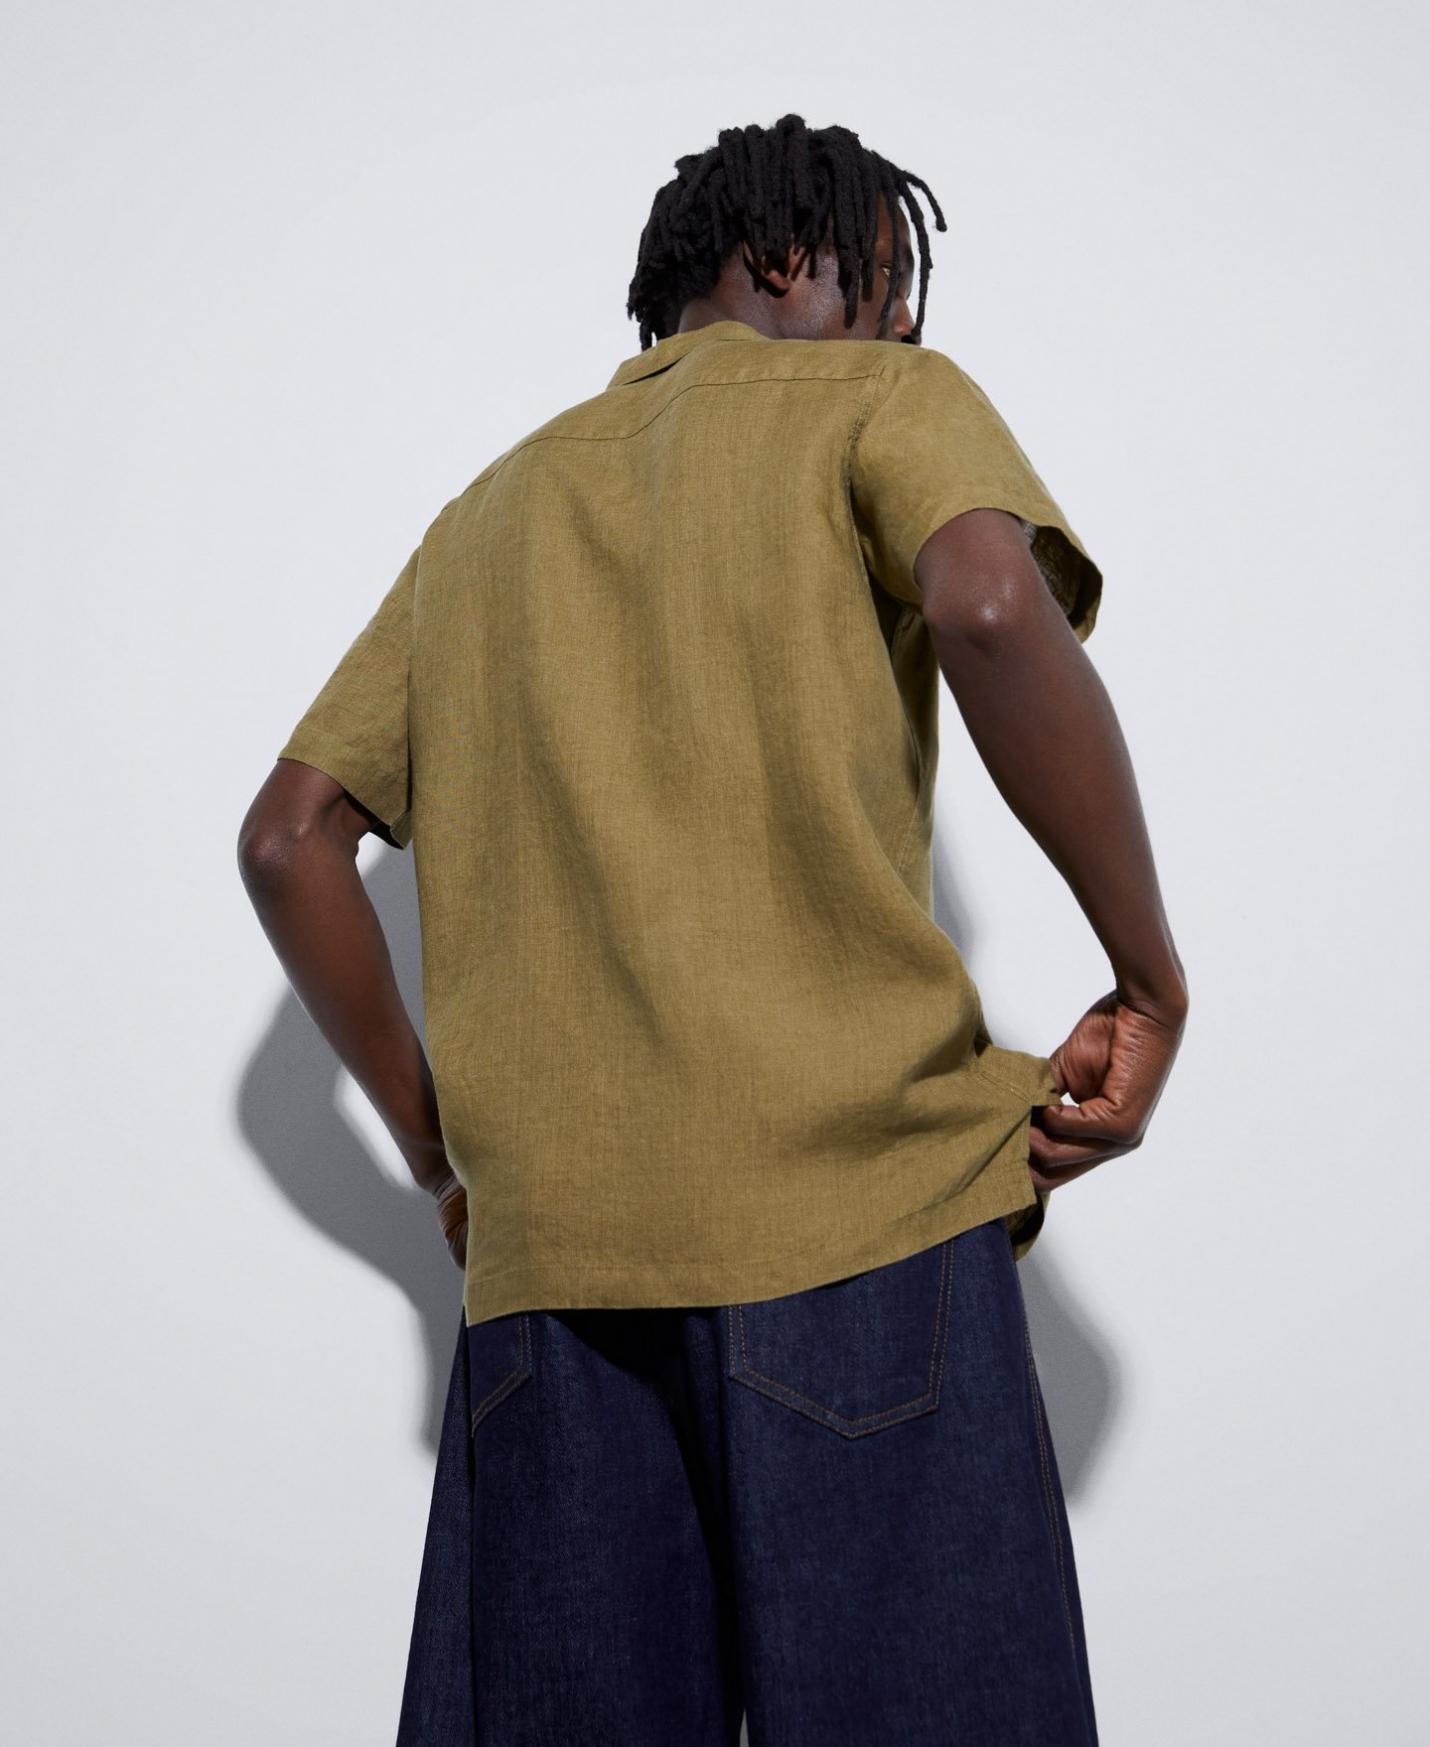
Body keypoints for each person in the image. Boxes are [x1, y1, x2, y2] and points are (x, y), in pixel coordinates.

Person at [237, 113, 1187, 1746]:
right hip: (862, 1229)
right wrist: (1146, 981)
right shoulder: (879, 401)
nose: (905, 325)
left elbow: (287, 839)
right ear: (786, 261)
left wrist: (445, 1161)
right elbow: (984, 598)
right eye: (888, 282)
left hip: (553, 1280)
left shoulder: (487, 514)